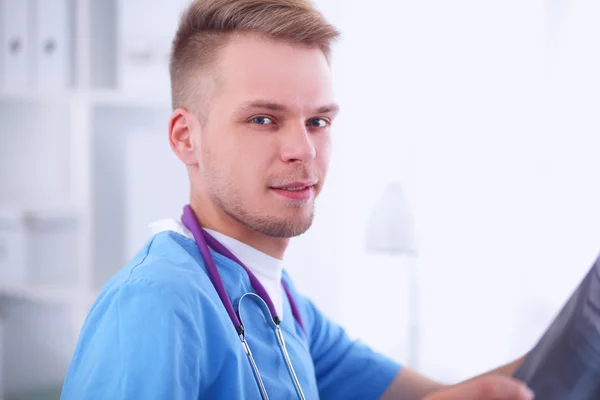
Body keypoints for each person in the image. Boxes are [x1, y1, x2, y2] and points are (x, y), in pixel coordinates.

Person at [60, 0, 535, 399]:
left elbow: (446, 397)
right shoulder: (158, 302)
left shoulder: (282, 304)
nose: (303, 150)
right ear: (187, 138)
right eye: (263, 119)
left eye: (318, 121)